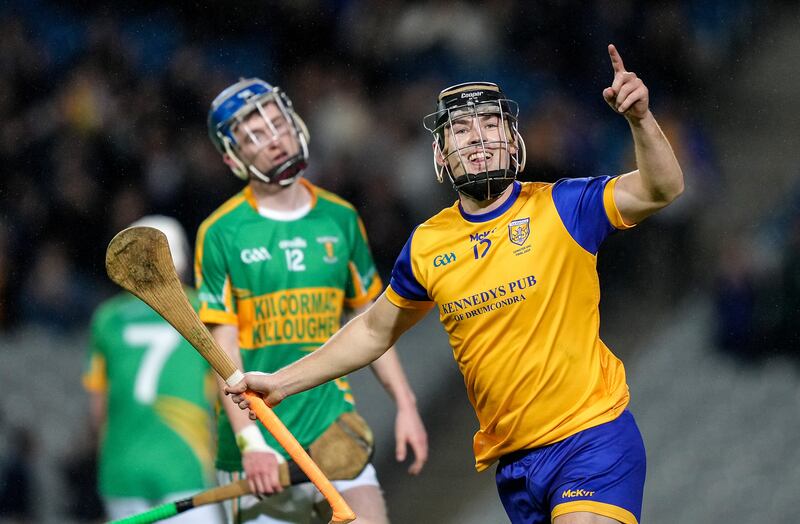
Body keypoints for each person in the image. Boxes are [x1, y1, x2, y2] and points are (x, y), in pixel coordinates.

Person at [226, 44, 685, 524]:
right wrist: (281, 382)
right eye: (461, 130)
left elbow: (663, 188)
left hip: (593, 439)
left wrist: (640, 120)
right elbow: (373, 331)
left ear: (513, 143)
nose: (477, 138)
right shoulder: (427, 245)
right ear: (441, 153)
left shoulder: (565, 207)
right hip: (516, 466)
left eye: (490, 125)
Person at [199, 77, 428, 524]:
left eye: (277, 124)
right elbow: (222, 349)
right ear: (232, 157)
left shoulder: (341, 218)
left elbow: (371, 321)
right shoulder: (220, 232)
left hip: (331, 427)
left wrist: (406, 404)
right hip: (259, 441)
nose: (274, 140)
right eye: (255, 135)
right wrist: (251, 443)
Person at [83, 215, 222, 523]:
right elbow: (227, 392)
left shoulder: (107, 318)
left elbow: (97, 413)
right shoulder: (204, 309)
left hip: (122, 470)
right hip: (183, 465)